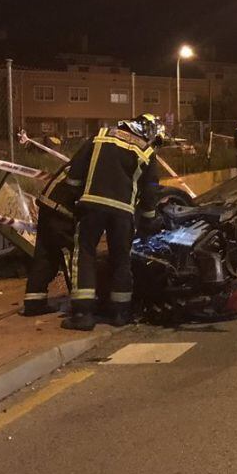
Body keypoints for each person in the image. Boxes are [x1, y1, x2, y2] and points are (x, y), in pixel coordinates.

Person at [62, 114, 165, 330]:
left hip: (92, 205)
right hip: (123, 212)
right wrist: (148, 219)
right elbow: (150, 191)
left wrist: (73, 197)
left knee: (86, 255)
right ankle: (120, 313)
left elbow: (74, 173)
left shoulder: (100, 136)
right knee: (121, 258)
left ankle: (83, 314)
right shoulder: (146, 151)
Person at [20, 163, 80, 316]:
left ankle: (34, 302)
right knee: (71, 255)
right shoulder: (103, 156)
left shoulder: (91, 151)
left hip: (48, 206)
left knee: (46, 253)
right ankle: (81, 305)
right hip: (62, 210)